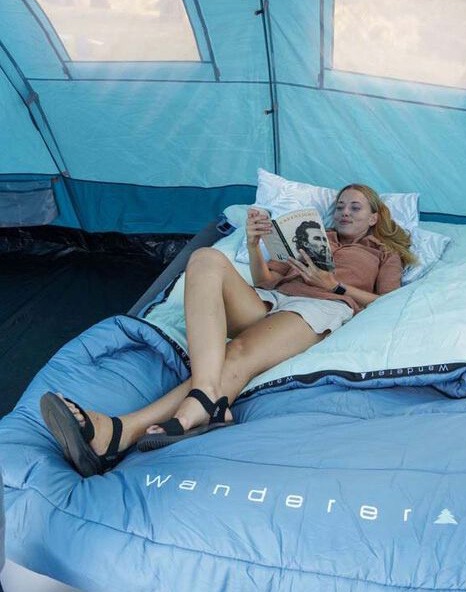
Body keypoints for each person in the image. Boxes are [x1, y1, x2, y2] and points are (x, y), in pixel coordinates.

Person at [39, 185, 417, 477]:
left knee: (237, 353)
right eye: (340, 206)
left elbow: (389, 303)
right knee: (205, 258)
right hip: (270, 300)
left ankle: (120, 430)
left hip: (319, 308)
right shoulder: (316, 236)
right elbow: (264, 278)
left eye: (355, 207)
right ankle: (209, 401)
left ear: (374, 217)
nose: (345, 212)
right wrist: (253, 243)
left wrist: (334, 284)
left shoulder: (384, 253)